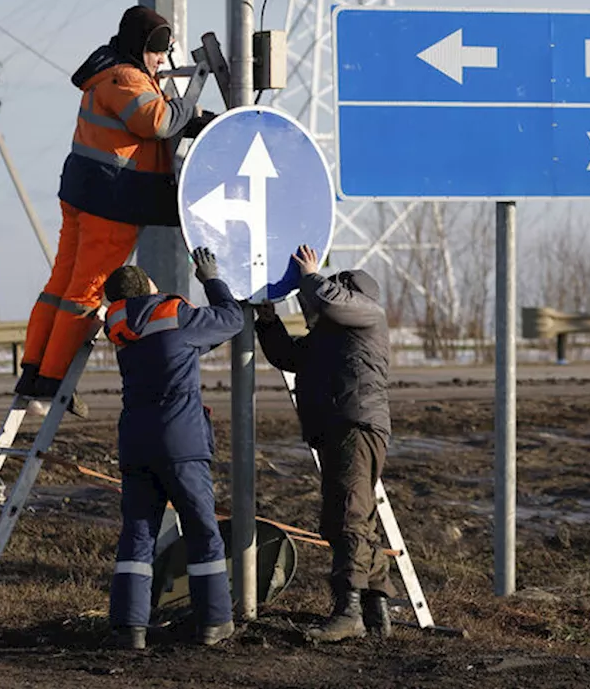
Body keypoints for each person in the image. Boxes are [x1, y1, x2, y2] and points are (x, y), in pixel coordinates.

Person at [15, 5, 213, 413]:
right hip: (112, 201)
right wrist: (189, 107)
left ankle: (33, 371)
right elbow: (155, 123)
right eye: (159, 50)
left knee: (62, 285)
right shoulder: (125, 77)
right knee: (84, 294)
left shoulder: (110, 73)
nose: (163, 60)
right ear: (143, 46)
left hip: (87, 194)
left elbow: (155, 121)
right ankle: (53, 381)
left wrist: (198, 121)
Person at [253, 244, 396, 642]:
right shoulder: (330, 335)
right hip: (339, 426)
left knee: (350, 515)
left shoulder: (367, 313)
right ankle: (375, 605)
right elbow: (287, 356)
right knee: (353, 518)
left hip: (356, 424)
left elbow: (328, 299)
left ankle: (348, 609)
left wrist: (311, 274)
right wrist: (267, 319)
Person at [102, 246, 243, 650]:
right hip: (180, 442)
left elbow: (175, 348)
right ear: (148, 285)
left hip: (135, 442)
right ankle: (215, 622)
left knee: (138, 535)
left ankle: (129, 629)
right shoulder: (175, 315)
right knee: (202, 531)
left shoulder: (119, 326)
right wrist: (212, 279)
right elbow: (231, 319)